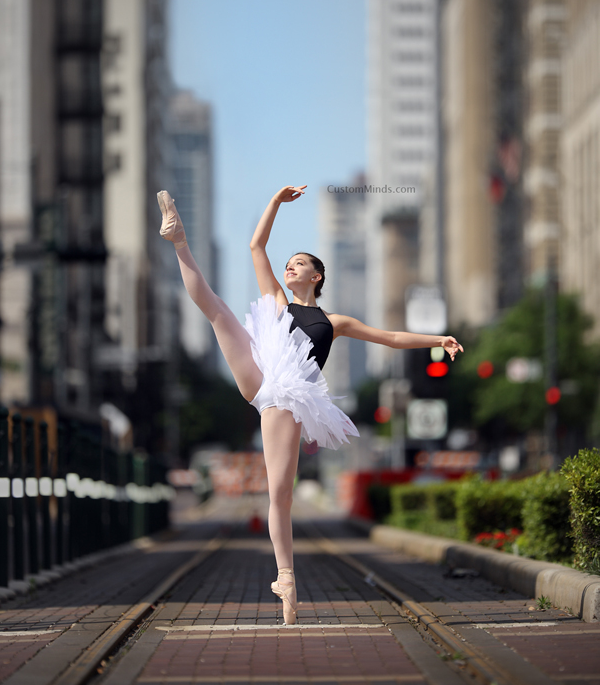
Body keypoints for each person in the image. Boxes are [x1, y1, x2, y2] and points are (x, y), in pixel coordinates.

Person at [157, 185, 463, 625]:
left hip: (288, 397)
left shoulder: (333, 322)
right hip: (260, 371)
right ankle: (178, 238)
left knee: (280, 494)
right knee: (217, 309)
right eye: (289, 263)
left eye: (299, 263)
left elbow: (391, 337)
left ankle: (286, 578)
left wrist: (438, 339)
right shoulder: (277, 300)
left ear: (316, 276)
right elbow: (256, 246)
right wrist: (275, 203)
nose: (290, 266)